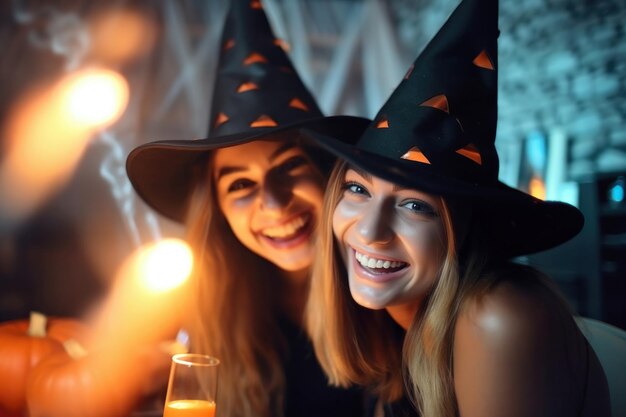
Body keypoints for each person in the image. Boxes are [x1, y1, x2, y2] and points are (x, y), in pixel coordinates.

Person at [303, 0, 612, 415]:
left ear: (463, 227)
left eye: (414, 205)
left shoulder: (497, 315)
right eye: (358, 190)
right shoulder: (398, 321)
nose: (370, 232)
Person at [126, 2, 368, 417]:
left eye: (291, 166)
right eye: (239, 184)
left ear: (332, 175)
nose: (273, 203)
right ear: (218, 210)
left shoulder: (389, 299)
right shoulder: (214, 309)